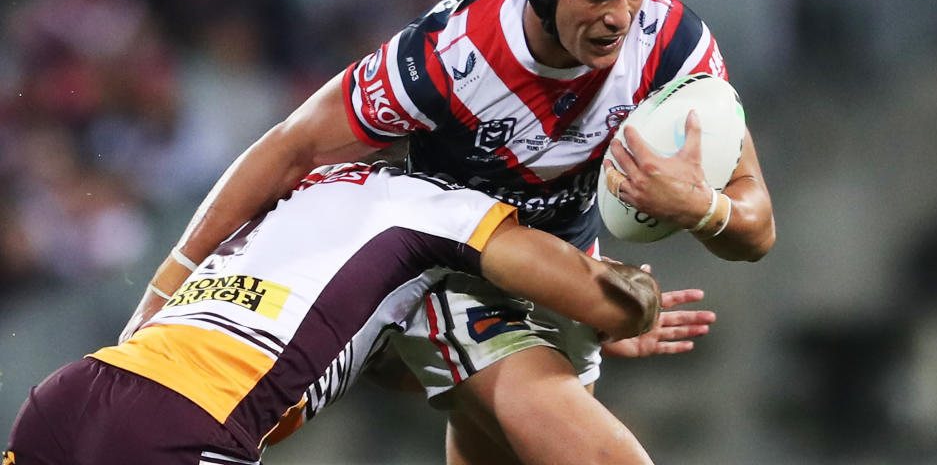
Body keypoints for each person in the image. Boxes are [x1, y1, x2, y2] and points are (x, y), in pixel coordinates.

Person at [120, 0, 774, 463]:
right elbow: (291, 148)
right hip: (455, 274)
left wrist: (703, 209)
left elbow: (757, 230)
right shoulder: (449, 54)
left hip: (568, 280)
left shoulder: (671, 41)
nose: (619, 17)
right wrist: (165, 288)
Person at [5, 161, 673, 465]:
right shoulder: (442, 208)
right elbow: (592, 295)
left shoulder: (304, 189)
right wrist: (629, 298)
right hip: (187, 423)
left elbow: (356, 357)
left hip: (76, 394)